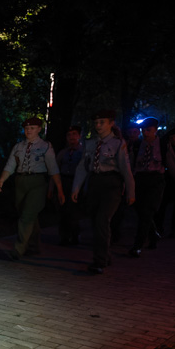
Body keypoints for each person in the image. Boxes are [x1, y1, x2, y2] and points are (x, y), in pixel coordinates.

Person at [71, 110, 135, 274]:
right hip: (95, 183)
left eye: (102, 122)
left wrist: (130, 191)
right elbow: (83, 167)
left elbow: (125, 169)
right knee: (95, 221)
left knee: (102, 220)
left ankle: (99, 261)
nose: (98, 125)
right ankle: (105, 255)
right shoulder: (90, 143)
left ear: (111, 123)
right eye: (96, 122)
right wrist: (76, 187)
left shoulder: (118, 143)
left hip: (111, 184)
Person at [0, 117, 64, 258]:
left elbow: (53, 168)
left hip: (37, 182)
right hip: (21, 181)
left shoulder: (45, 146)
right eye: (27, 128)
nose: (29, 131)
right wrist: (2, 179)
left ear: (39, 129)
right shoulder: (18, 147)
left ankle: (18, 249)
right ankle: (34, 246)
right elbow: (10, 165)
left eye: (32, 128)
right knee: (27, 214)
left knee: (27, 216)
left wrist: (59, 188)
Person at [128, 117, 175, 257]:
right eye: (143, 130)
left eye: (148, 130)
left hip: (155, 180)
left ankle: (138, 245)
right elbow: (130, 165)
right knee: (140, 210)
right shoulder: (137, 145)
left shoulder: (162, 144)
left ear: (155, 130)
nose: (145, 132)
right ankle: (153, 234)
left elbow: (173, 165)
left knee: (147, 211)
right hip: (140, 179)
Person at [110, 121, 141, 244]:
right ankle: (115, 233)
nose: (132, 134)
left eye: (135, 131)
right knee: (118, 210)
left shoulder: (140, 145)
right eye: (130, 131)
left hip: (135, 178)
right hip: (122, 179)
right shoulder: (121, 145)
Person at [54, 125, 85, 245]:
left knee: (74, 210)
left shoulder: (83, 152)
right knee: (63, 210)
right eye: (69, 135)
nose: (72, 137)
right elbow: (56, 169)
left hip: (76, 182)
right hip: (64, 181)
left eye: (74, 134)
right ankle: (64, 236)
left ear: (79, 136)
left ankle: (75, 234)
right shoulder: (63, 153)